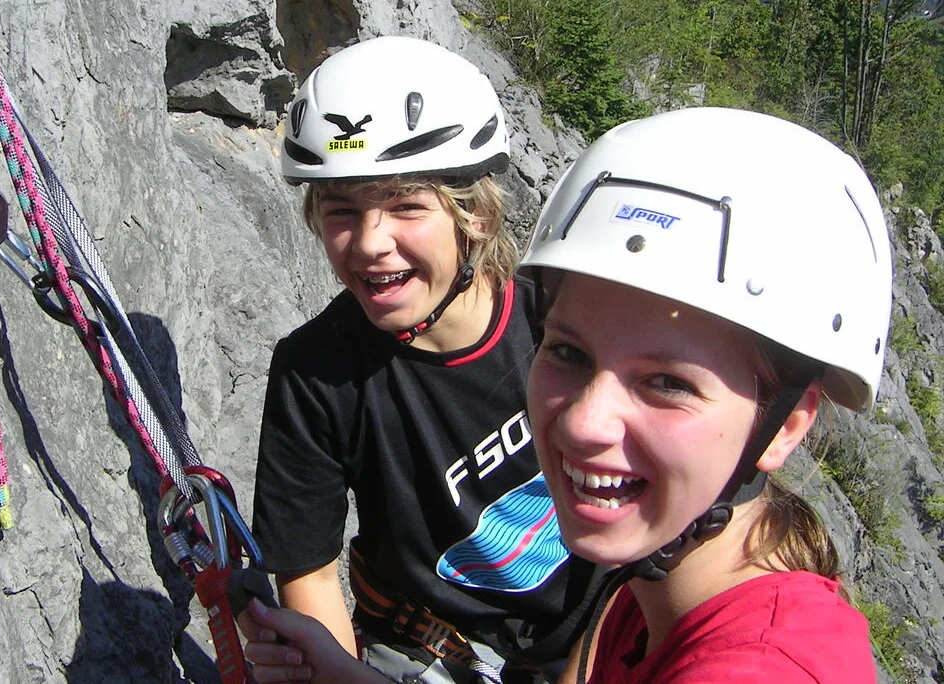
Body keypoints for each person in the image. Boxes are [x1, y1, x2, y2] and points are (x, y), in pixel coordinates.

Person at [242, 106, 890, 683]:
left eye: (668, 382)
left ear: (786, 424)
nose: (584, 423)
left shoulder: (755, 664)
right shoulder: (651, 600)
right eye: (569, 353)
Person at [251, 36, 599, 683]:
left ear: (474, 215)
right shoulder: (315, 373)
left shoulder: (557, 324)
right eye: (342, 211)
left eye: (406, 206)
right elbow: (309, 573)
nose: (369, 243)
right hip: (432, 647)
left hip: (599, 624)